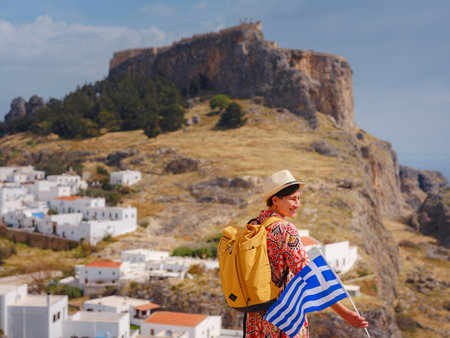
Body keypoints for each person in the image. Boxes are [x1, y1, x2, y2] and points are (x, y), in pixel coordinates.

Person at [245, 170, 369, 338]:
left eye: (299, 198)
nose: (297, 204)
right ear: (275, 200)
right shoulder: (285, 229)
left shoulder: (255, 226)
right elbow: (309, 276)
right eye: (292, 199)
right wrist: (344, 312)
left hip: (256, 317)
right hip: (284, 317)